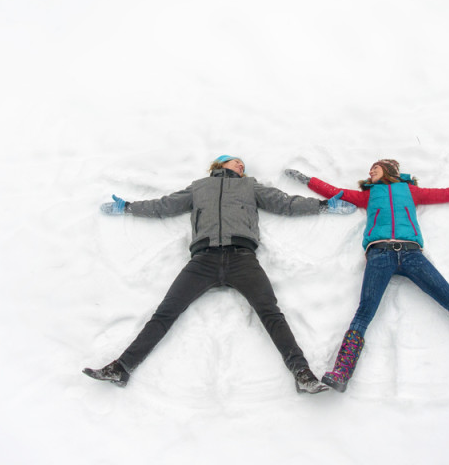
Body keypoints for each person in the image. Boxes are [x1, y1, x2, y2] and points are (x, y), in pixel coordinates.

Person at [83, 155, 355, 394]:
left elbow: (284, 203)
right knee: (165, 313)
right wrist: (129, 206)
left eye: (243, 164)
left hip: (243, 259)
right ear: (219, 163)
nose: (241, 164)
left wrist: (323, 206)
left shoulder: (250, 186)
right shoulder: (199, 187)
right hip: (203, 260)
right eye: (235, 160)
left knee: (271, 314)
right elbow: (164, 206)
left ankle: (303, 375)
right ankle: (121, 367)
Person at [285, 159, 449, 393]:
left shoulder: (410, 191)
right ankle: (341, 372)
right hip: (380, 254)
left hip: (413, 255)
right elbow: (334, 191)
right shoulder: (368, 195)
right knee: (364, 312)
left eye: (375, 167)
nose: (370, 171)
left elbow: (447, 193)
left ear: (389, 169)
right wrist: (307, 180)